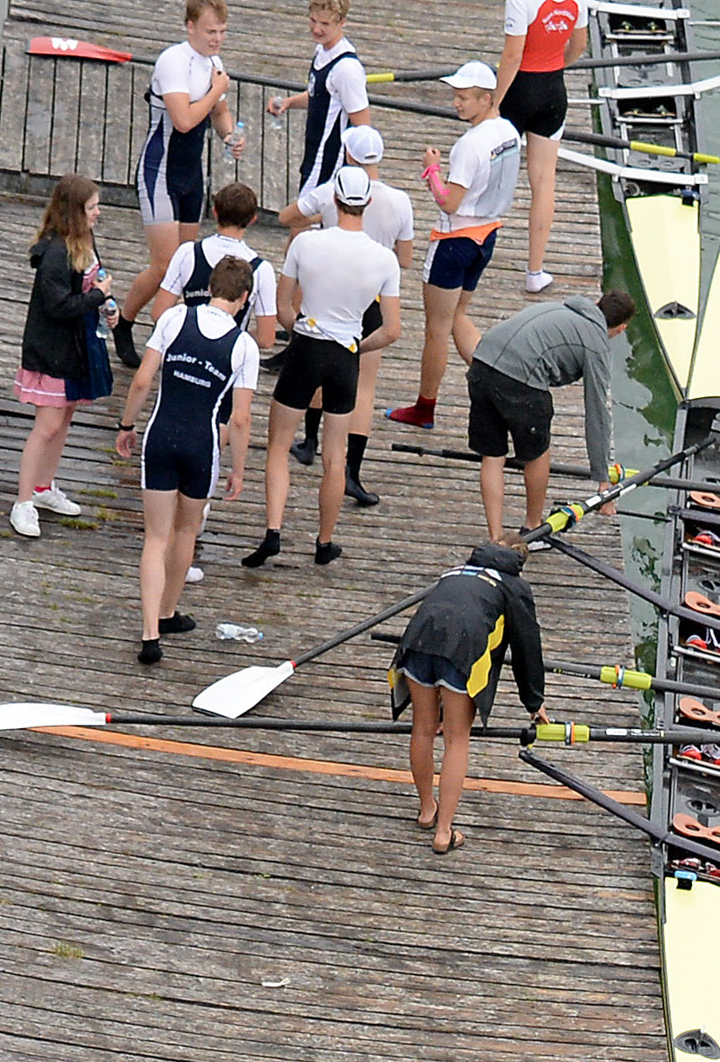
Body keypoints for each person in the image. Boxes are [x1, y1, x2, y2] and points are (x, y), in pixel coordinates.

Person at [241, 164, 401, 569]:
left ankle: (273, 531)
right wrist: (356, 347)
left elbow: (282, 308)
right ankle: (324, 541)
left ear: (333, 200)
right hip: (345, 353)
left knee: (279, 445)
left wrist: (303, 332)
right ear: (366, 203)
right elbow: (392, 330)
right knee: (335, 456)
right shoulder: (384, 259)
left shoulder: (306, 243)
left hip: (307, 345)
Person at [114, 257, 256, 664]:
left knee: (155, 537)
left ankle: (150, 633)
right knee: (186, 531)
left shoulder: (175, 318)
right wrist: (238, 468)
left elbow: (143, 380)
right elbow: (241, 418)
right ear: (244, 298)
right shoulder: (243, 346)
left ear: (210, 287)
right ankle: (168, 610)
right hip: (201, 445)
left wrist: (127, 424)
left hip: (161, 436)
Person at [389, 538, 548, 851]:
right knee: (456, 739)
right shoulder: (514, 586)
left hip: (418, 640)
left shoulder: (455, 572)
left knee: (422, 729)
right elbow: (527, 646)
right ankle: (443, 832)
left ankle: (426, 810)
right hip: (463, 648)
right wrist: (534, 702)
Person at [387, 64, 520, 433]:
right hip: (486, 236)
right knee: (458, 317)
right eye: (455, 96)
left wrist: (432, 169)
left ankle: (424, 407)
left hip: (454, 242)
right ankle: (497, 380)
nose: (456, 103)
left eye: (463, 98)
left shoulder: (470, 145)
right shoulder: (509, 133)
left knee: (437, 329)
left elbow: (448, 201)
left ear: (486, 99)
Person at [286, 127, 413, 507]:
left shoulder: (329, 191)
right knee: (364, 388)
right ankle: (352, 474)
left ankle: (309, 442)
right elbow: (405, 259)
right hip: (370, 296)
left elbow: (286, 215)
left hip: (327, 291)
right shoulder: (401, 201)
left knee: (316, 368)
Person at [117, 0, 244, 368]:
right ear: (190, 27)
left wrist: (230, 136)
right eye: (210, 32)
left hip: (191, 176)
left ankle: (177, 337)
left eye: (221, 32)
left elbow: (218, 113)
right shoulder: (174, 61)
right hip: (160, 172)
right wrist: (215, 88)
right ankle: (124, 322)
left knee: (186, 268)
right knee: (164, 266)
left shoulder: (214, 65)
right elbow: (185, 119)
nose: (216, 39)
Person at [463, 290, 631, 537]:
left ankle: (495, 538)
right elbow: (597, 414)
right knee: (537, 453)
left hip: (482, 362)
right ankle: (533, 528)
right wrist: (603, 483)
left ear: (597, 303)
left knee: (493, 456)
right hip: (520, 379)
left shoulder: (561, 308)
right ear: (621, 328)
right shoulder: (597, 344)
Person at [12, 177, 119, 540]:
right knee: (47, 426)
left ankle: (44, 488)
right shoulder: (56, 254)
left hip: (76, 350)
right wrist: (96, 298)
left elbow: (95, 282)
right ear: (75, 213)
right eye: (92, 208)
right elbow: (58, 306)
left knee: (65, 419)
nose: (98, 213)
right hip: (52, 351)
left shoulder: (85, 242)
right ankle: (22, 502)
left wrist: (107, 305)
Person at [493, 0, 589, 294]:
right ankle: (535, 272)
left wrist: (495, 102)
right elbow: (578, 46)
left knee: (491, 174)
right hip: (553, 91)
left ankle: (472, 250)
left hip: (518, 91)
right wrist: (554, 65)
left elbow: (512, 55)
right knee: (544, 181)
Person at [267, 0, 370, 223]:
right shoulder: (322, 51)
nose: (316, 29)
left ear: (342, 23)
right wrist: (288, 103)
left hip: (330, 161)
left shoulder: (347, 70)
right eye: (313, 21)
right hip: (313, 155)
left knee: (297, 223)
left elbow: (363, 128)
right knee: (300, 230)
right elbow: (319, 96)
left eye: (324, 24)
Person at [146, 181, 278, 350]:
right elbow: (265, 339)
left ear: (215, 212)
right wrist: (234, 335)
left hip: (185, 348)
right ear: (252, 220)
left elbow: (158, 314)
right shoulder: (262, 270)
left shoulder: (188, 252)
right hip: (226, 356)